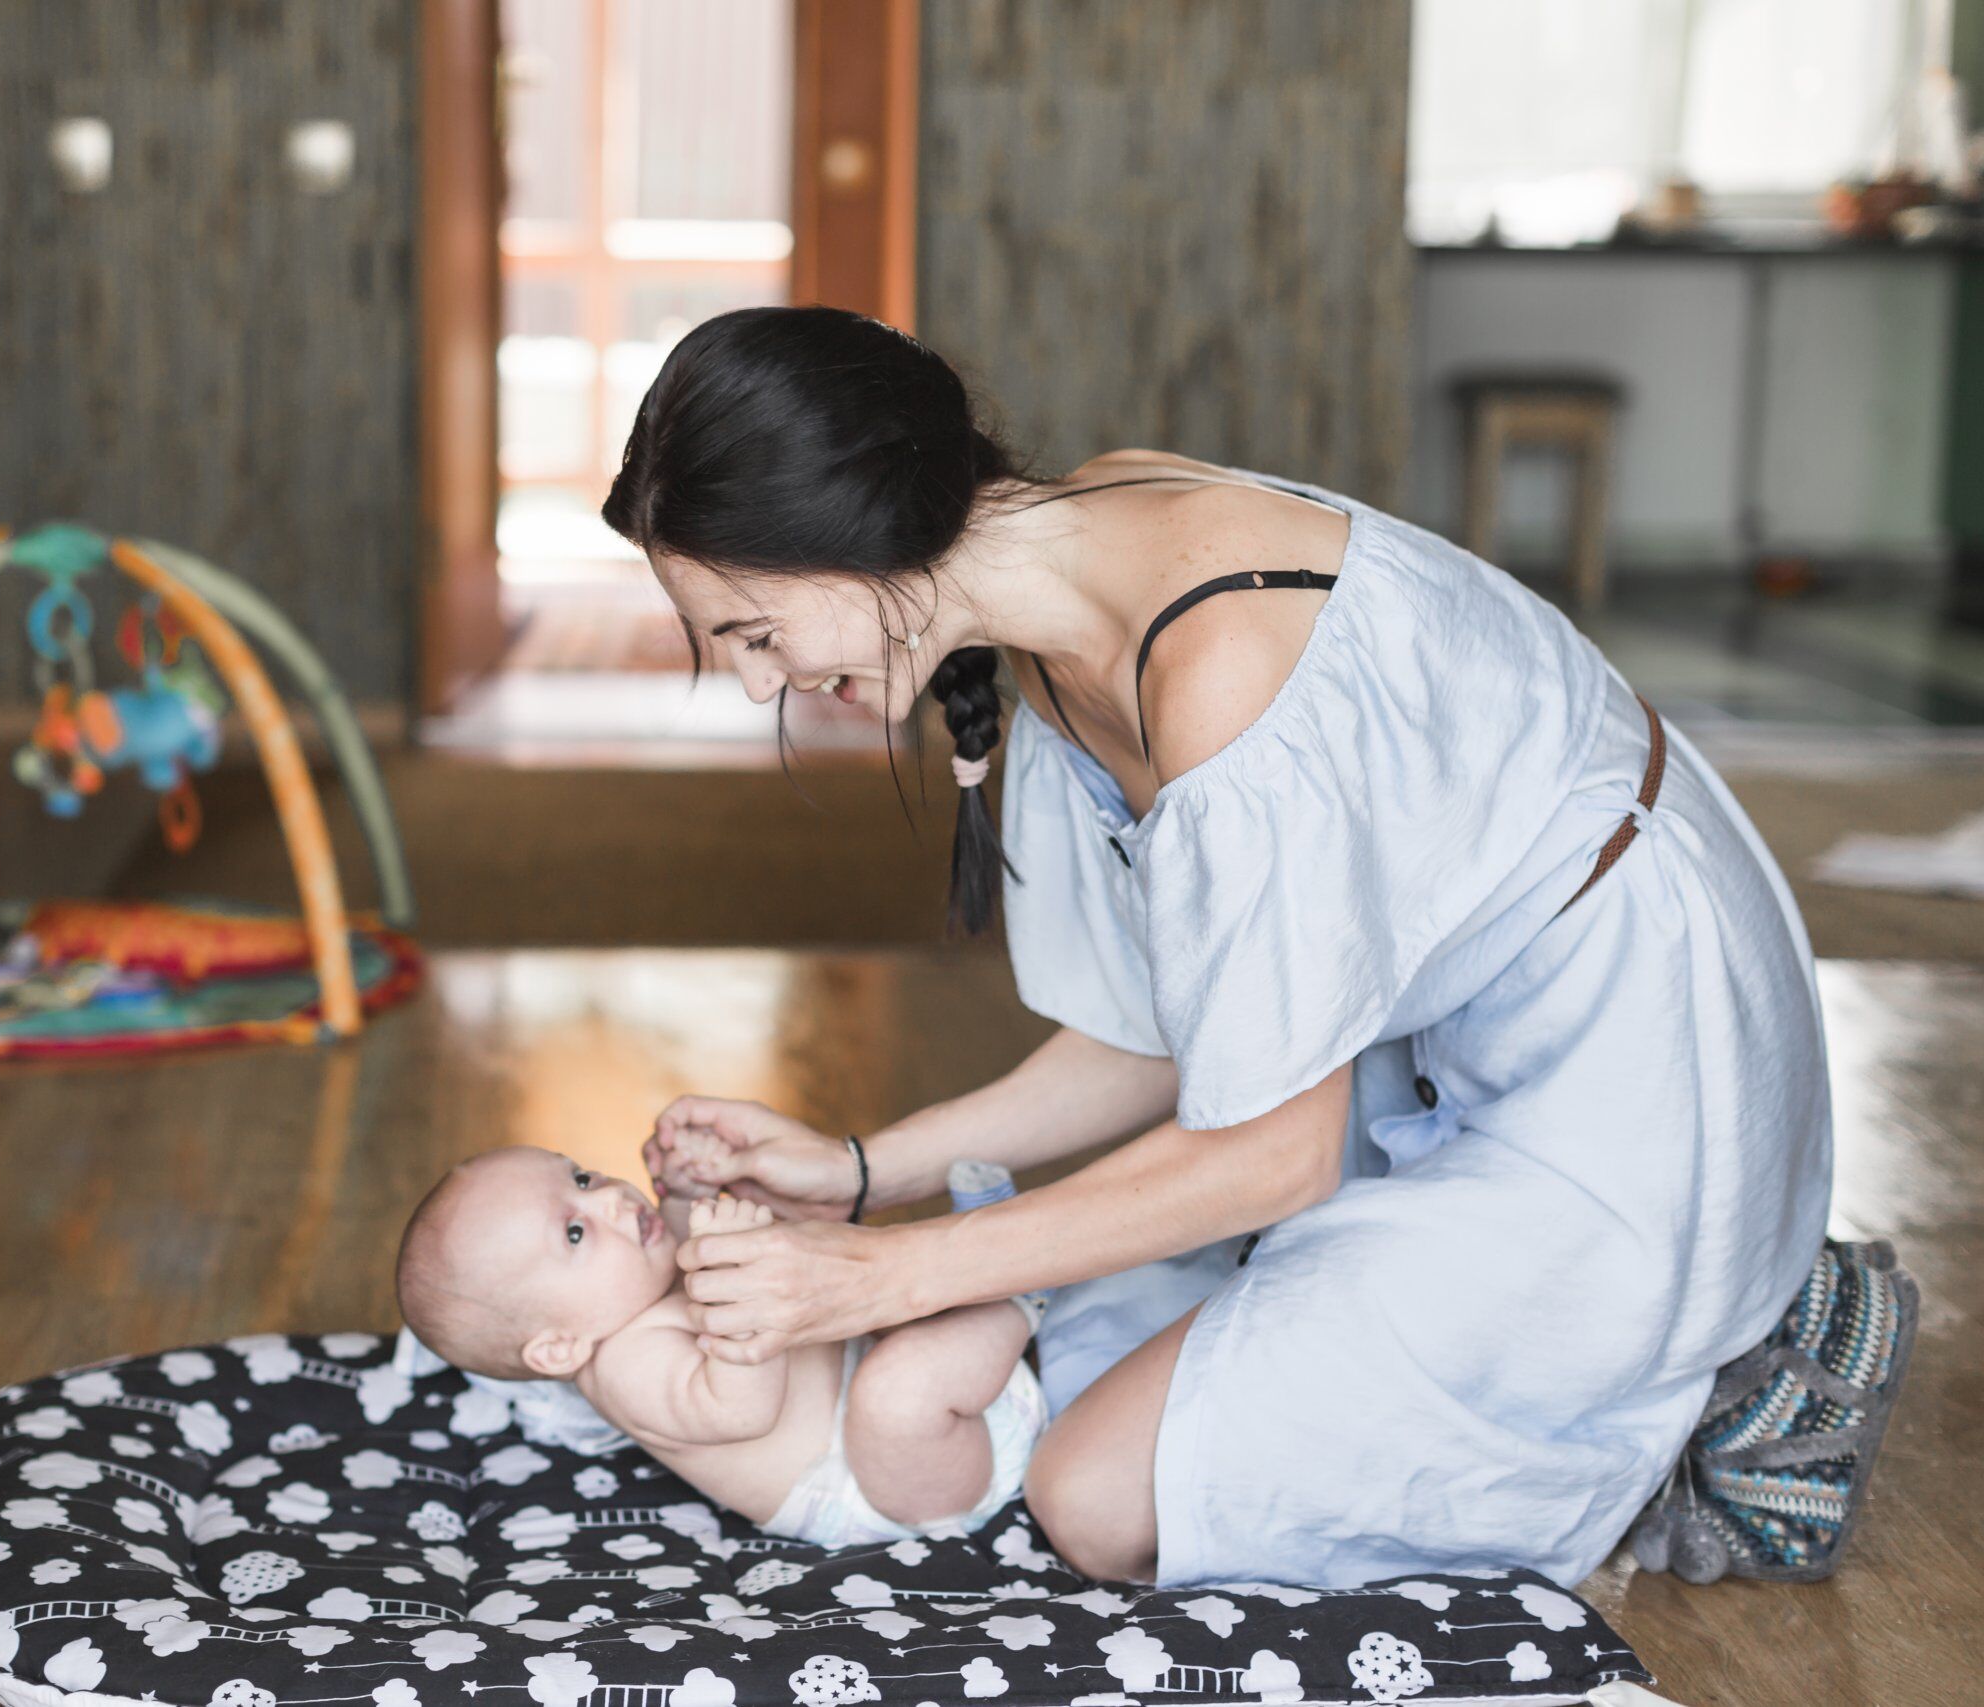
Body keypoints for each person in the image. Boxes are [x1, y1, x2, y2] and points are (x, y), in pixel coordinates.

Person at [611, 305, 1834, 1588]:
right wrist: (865, 1171)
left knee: (1095, 1498)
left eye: (755, 632)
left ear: (858, 536)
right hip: (1431, 1049)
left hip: (1633, 1080)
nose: (760, 685)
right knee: (1095, 1359)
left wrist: (880, 1276)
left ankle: (1723, 1390)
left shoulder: (1221, 670)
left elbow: (1268, 1157)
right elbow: (1168, 1025)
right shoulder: (1063, 598)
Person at [393, 1145, 1045, 1546]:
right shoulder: (626, 1366)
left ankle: (985, 1257)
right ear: (559, 1348)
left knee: (855, 1273)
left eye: (583, 1178)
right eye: (572, 1232)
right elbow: (741, 1411)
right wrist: (738, 1308)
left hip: (896, 1388)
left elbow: (693, 1235)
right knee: (897, 1389)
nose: (613, 1202)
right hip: (897, 1485)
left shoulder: (636, 1280)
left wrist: (690, 1190)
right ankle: (1026, 1287)